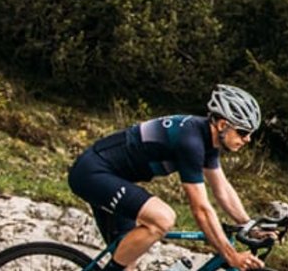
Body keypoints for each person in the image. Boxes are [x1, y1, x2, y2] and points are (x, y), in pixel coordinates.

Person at [68, 84, 265, 271]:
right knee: (162, 218)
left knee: (128, 263)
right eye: (243, 132)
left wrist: (249, 226)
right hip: (93, 173)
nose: (247, 139)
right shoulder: (191, 142)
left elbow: (222, 190)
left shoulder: (207, 139)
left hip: (112, 178)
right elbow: (201, 210)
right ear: (223, 124)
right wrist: (231, 255)